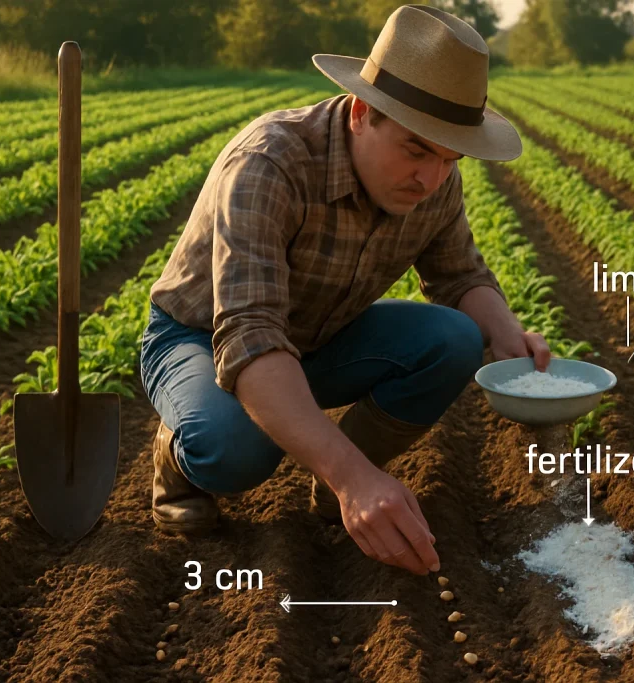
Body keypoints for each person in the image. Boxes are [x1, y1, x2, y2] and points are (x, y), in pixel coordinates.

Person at [139, 5, 550, 577]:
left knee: (456, 337)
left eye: (448, 157)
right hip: (203, 337)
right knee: (236, 450)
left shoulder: (435, 181)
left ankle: (334, 486)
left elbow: (459, 277)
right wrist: (353, 477)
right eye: (416, 149)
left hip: (321, 334)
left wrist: (509, 338)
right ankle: (178, 460)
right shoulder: (269, 163)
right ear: (361, 112)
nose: (430, 178)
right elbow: (250, 336)